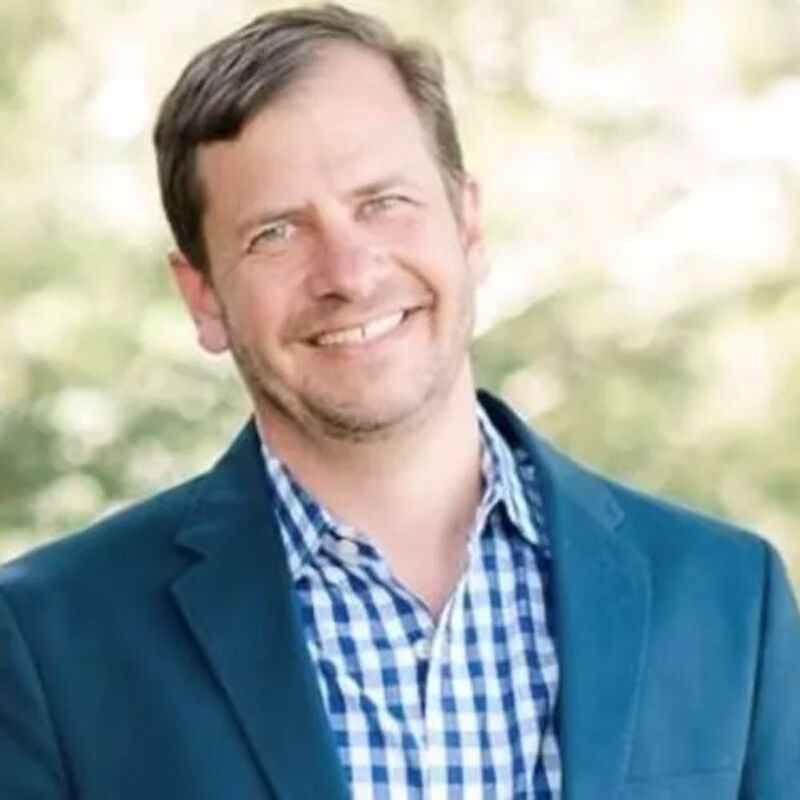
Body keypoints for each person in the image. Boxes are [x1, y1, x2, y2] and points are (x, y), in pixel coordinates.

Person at [1, 4, 798, 798]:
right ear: (204, 295)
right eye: (276, 232)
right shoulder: (52, 642)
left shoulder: (730, 598)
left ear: (468, 223)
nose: (348, 272)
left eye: (383, 201)